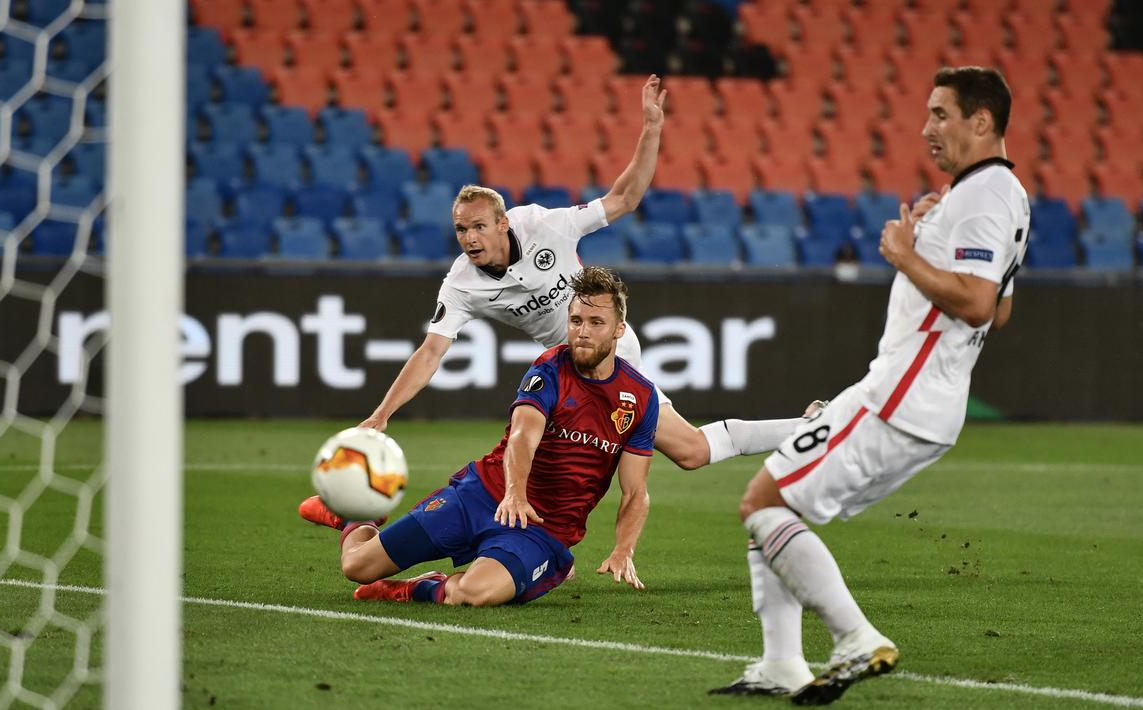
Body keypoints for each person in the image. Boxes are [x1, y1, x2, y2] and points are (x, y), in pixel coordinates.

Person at [711, 66, 1030, 705]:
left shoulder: (985, 195)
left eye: (940, 114)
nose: (926, 128)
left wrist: (904, 253)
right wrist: (929, 243)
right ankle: (781, 664)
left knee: (763, 503)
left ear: (981, 120)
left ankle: (855, 637)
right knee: (776, 501)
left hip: (900, 394)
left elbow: (975, 304)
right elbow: (1001, 310)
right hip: (927, 403)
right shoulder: (1001, 195)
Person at [353, 74, 813, 475]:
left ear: (503, 223)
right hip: (566, 367)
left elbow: (624, 199)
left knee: (687, 451)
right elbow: (431, 352)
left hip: (608, 353)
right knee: (659, 451)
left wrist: (651, 128)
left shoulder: (544, 226)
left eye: (478, 227)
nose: (469, 238)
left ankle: (812, 428)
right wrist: (381, 414)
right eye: (460, 229)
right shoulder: (461, 284)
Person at [307, 267, 658, 606]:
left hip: (541, 529)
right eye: (576, 320)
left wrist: (623, 550)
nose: (582, 332)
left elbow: (635, 491)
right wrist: (515, 493)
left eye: (596, 323)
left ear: (619, 330)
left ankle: (419, 588)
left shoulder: (641, 397)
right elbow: (522, 437)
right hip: (484, 494)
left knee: (476, 593)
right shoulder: (550, 369)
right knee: (357, 566)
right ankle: (354, 514)